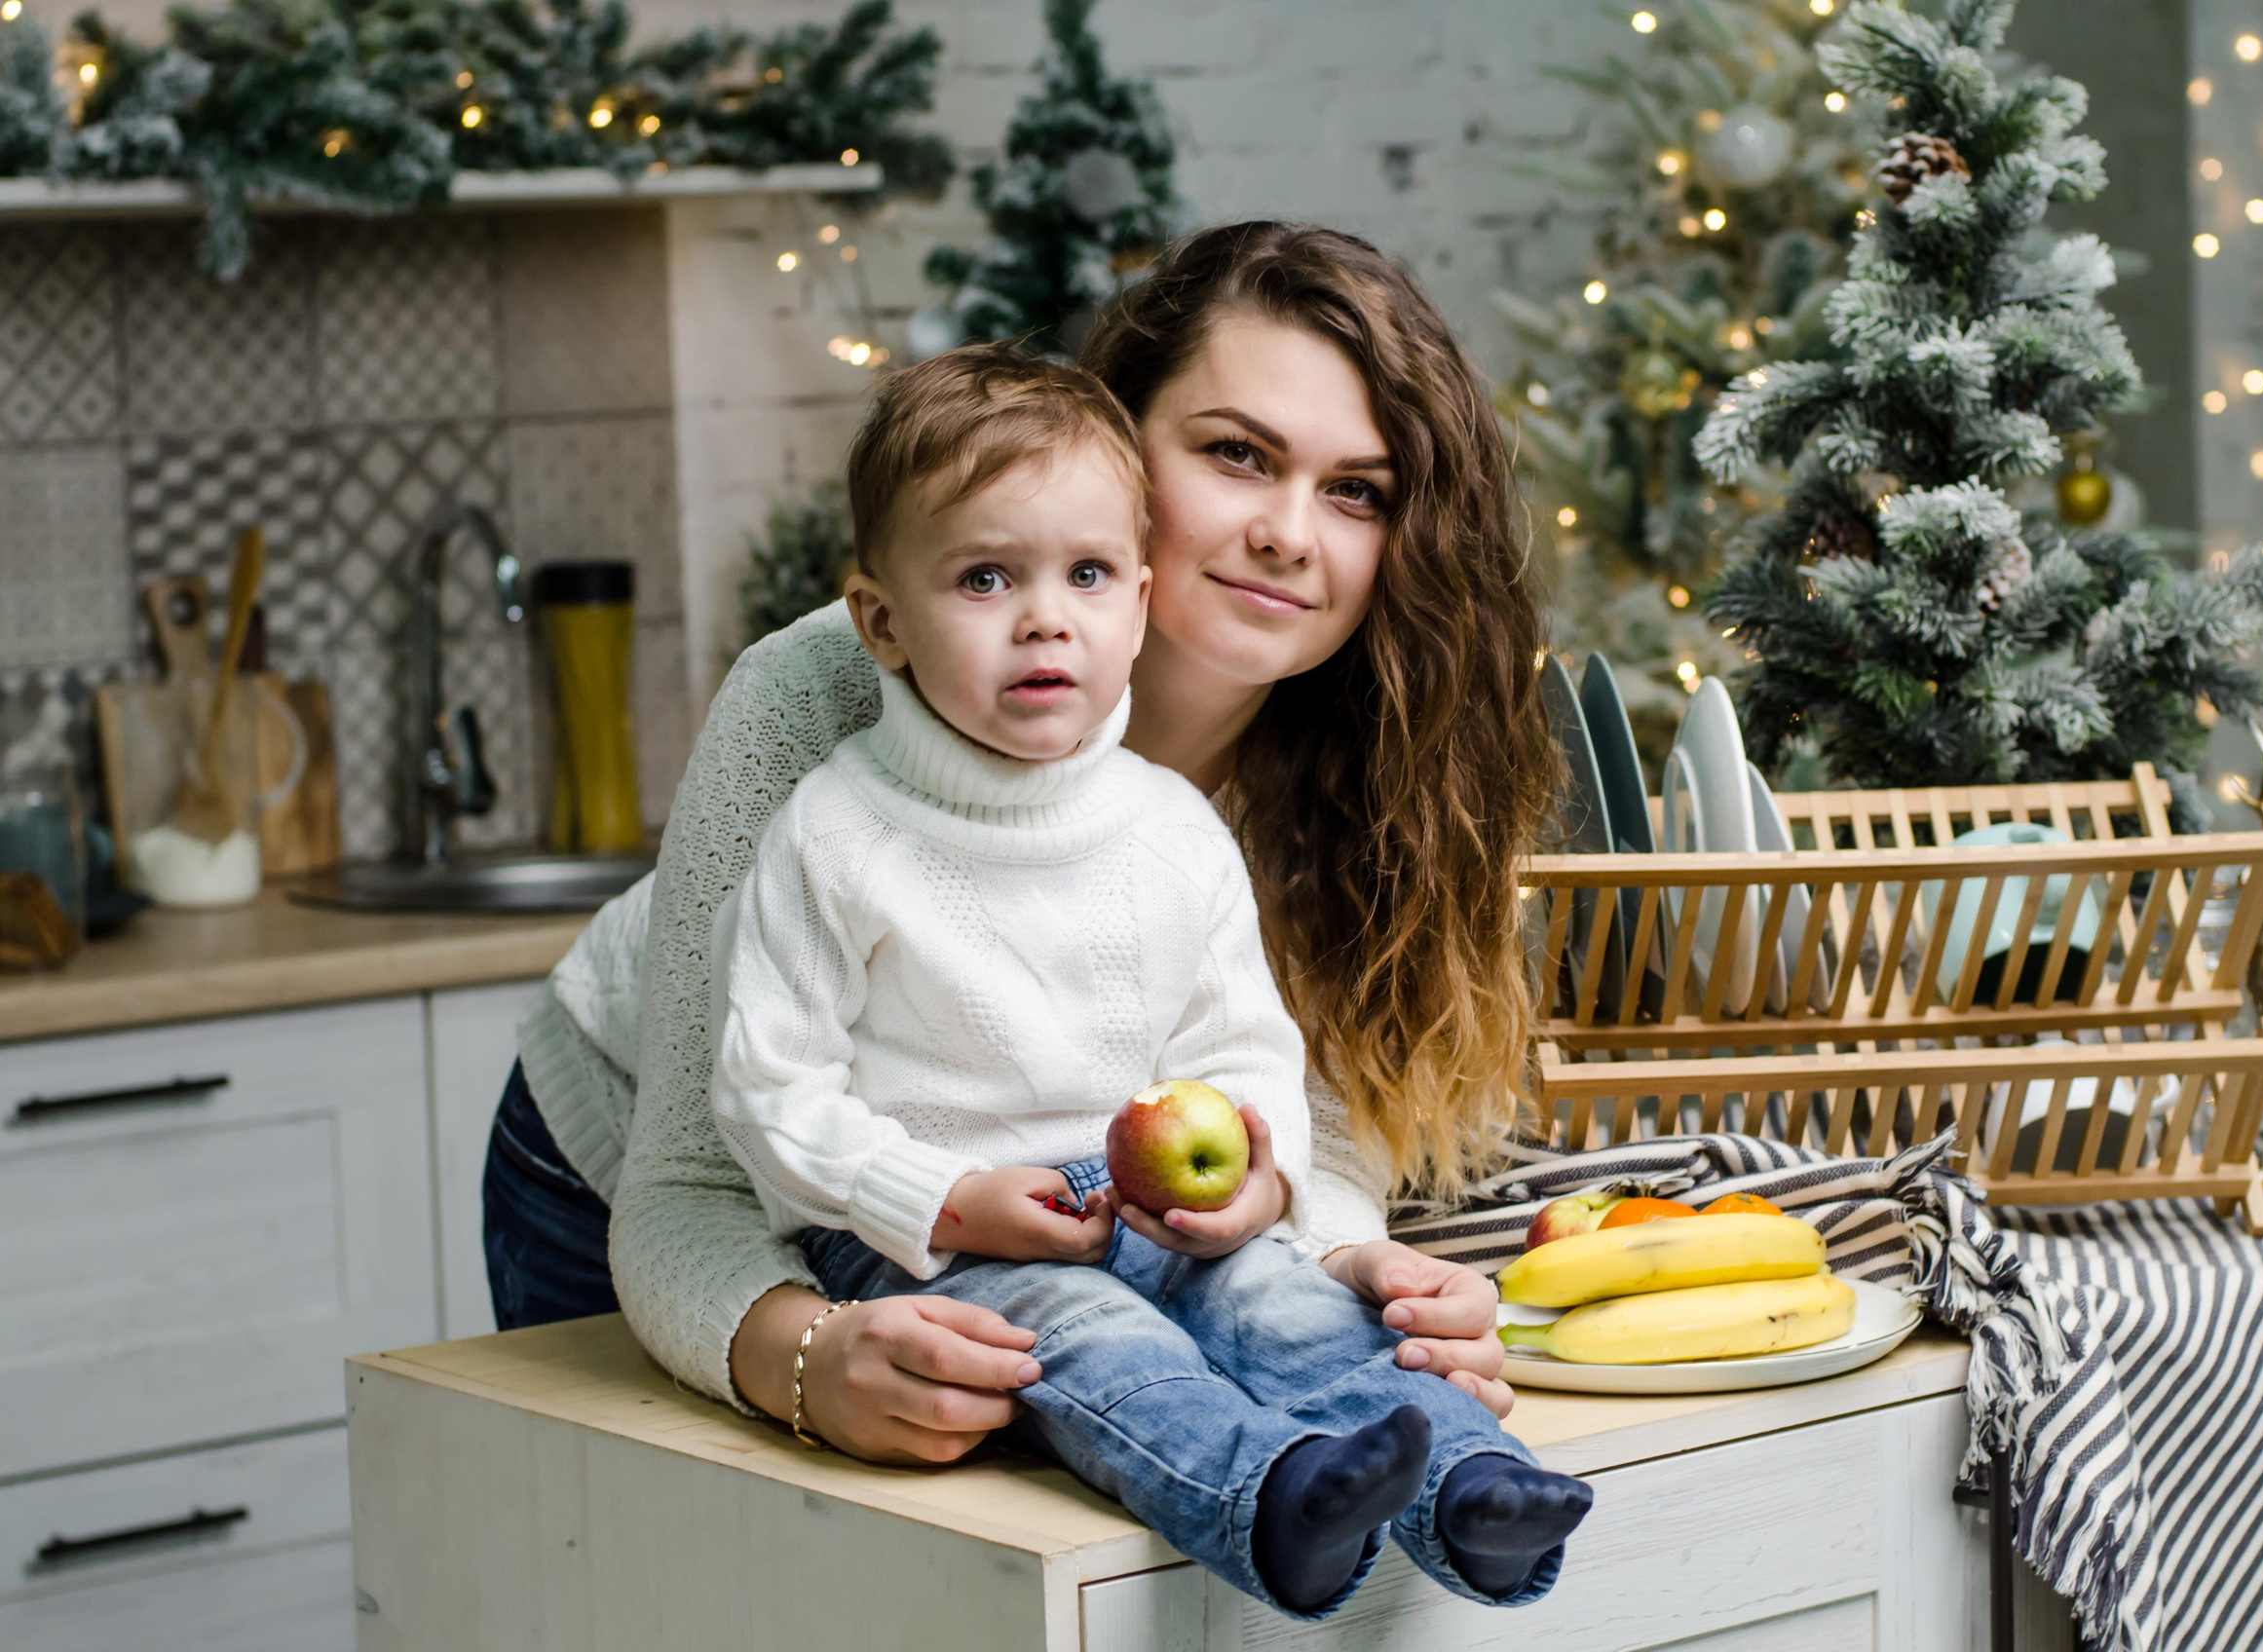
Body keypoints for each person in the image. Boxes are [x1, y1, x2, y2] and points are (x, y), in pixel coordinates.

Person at [484, 220, 1555, 1480]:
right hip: (645, 1178)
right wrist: (807, 1359)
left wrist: (1340, 1270)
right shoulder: (824, 688)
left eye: (1355, 491)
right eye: (1235, 455)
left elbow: (1296, 1133)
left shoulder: (1386, 775)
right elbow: (694, 1187)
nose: (1289, 533)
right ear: (1119, 443)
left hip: (1024, 1236)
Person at [704, 347, 1587, 1616]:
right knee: (1108, 1353)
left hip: (1148, 1203)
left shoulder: (1169, 828)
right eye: (984, 578)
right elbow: (769, 1094)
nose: (1044, 617)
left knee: (1289, 1308)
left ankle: (1472, 1487)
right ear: (881, 621)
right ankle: (1271, 1500)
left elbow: (1239, 1051)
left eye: (1086, 576)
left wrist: (1260, 1183)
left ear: (1139, 594)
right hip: (928, 1248)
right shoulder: (835, 832)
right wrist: (947, 1201)